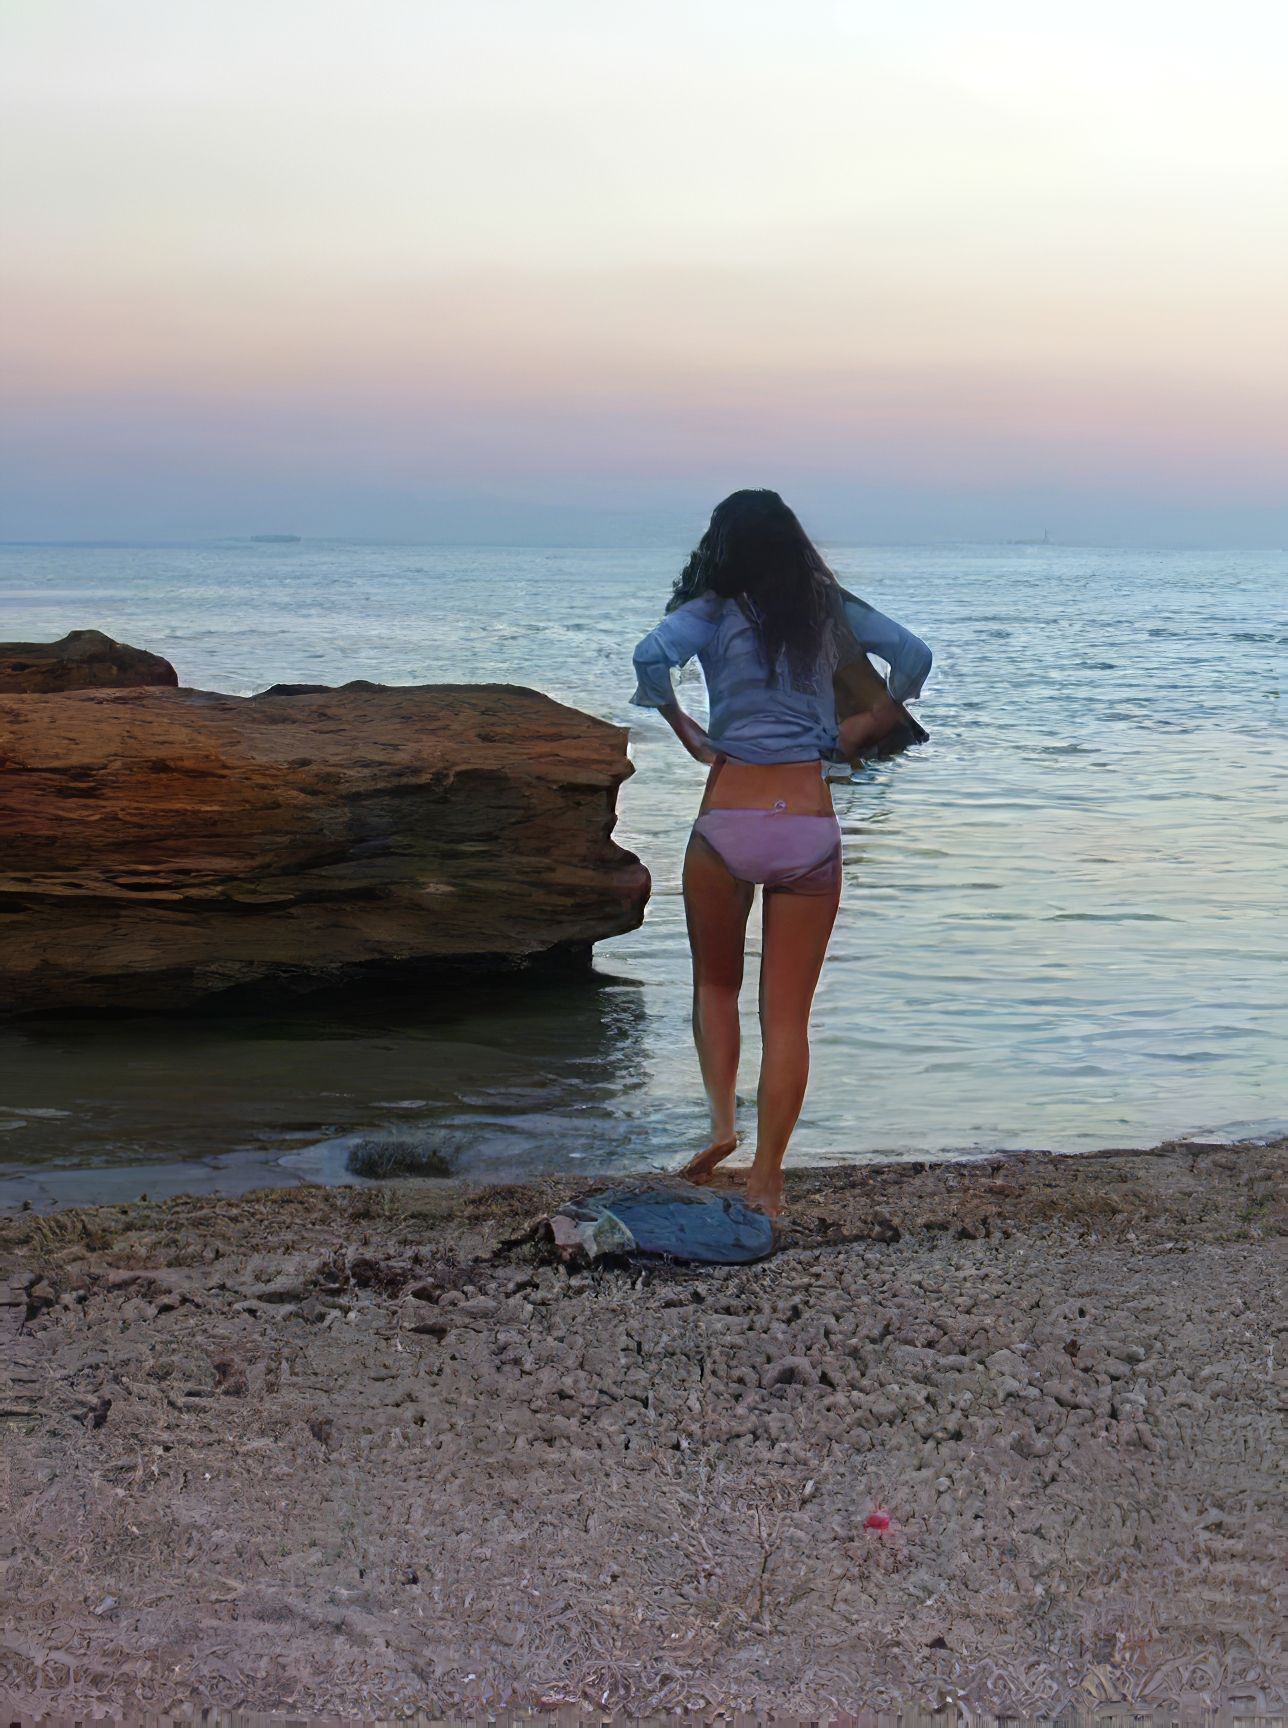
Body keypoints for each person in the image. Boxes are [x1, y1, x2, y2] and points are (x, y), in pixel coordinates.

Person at [629, 489, 932, 1216]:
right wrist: (870, 722)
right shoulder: (828, 611)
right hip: (807, 825)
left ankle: (721, 1128)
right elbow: (914, 656)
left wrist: (683, 727)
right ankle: (767, 1177)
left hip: (727, 818)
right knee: (787, 1018)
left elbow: (650, 656)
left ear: (723, 547)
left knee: (715, 988)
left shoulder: (711, 611)